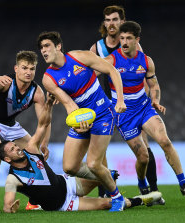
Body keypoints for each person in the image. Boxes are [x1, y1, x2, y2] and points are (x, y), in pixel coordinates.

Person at [0, 93, 162, 212]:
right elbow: (7, 204)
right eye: (12, 149)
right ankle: (142, 200)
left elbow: (42, 125)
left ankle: (110, 178)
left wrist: (48, 105)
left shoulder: (31, 150)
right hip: (63, 205)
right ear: (6, 159)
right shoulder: (13, 179)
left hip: (67, 184)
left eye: (15, 145)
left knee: (104, 176)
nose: (17, 148)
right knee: (106, 204)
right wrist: (11, 207)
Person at [104, 21, 185, 197]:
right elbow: (90, 75)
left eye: (129, 38)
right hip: (124, 115)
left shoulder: (146, 61)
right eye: (122, 38)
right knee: (143, 157)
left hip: (144, 108)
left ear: (137, 40)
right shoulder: (111, 61)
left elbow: (153, 84)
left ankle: (183, 182)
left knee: (164, 141)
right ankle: (142, 182)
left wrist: (155, 99)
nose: (124, 42)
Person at [37, 31, 128, 212]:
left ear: (59, 46)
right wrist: (77, 125)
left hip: (103, 113)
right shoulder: (48, 79)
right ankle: (106, 175)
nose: (44, 51)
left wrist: (120, 100)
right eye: (41, 48)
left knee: (94, 163)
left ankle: (117, 198)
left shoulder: (80, 57)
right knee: (70, 167)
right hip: (83, 117)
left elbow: (112, 70)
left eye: (47, 46)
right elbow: (68, 103)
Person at [90, 5, 164, 203]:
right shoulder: (97, 48)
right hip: (104, 102)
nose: (111, 24)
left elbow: (142, 74)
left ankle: (153, 191)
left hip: (132, 104)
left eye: (115, 19)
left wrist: (146, 102)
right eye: (107, 20)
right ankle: (104, 193)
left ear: (122, 22)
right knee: (100, 149)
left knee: (145, 148)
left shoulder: (134, 46)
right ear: (104, 23)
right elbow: (90, 74)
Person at [0, 50, 51, 213]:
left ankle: (34, 201)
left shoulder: (37, 92)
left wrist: (44, 143)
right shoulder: (6, 83)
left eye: (32, 68)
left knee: (36, 156)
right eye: (24, 68)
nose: (28, 72)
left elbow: (44, 121)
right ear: (16, 68)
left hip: (10, 125)